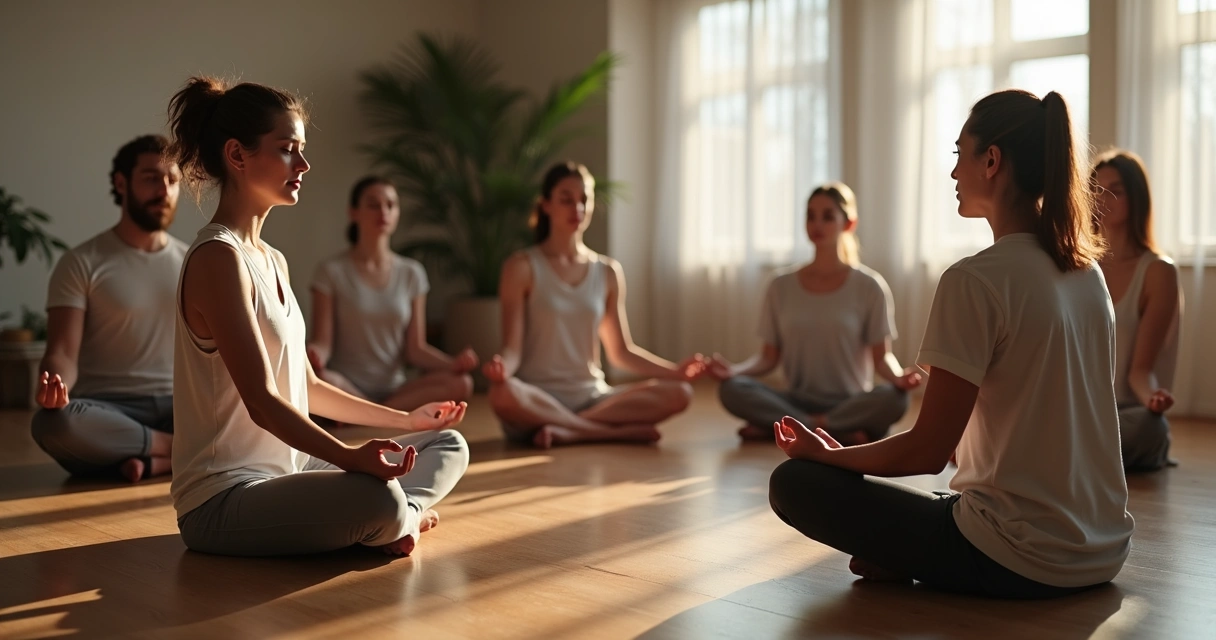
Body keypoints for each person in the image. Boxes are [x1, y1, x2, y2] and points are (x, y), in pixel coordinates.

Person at [768, 90, 1133, 598]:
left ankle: (919, 557)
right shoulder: (1087, 273)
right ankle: (913, 552)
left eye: (959, 154)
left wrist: (827, 456)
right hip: (1102, 552)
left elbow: (928, 451)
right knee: (945, 502)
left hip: (1018, 558)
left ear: (992, 161)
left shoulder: (975, 279)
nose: (954, 172)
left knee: (793, 484)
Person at [166, 76, 468, 557]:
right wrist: (349, 457)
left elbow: (307, 387)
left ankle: (395, 519)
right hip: (225, 499)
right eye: (287, 149)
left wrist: (406, 419)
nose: (303, 164)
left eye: (301, 149)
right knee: (377, 498)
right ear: (237, 155)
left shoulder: (273, 259)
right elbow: (263, 402)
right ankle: (399, 517)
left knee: (446, 443)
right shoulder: (217, 258)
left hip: (291, 474)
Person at [484, 161, 706, 449]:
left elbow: (621, 352)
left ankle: (572, 430)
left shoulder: (607, 271)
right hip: (538, 399)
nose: (577, 208)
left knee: (680, 393)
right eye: (566, 199)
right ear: (546, 205)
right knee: (502, 394)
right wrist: (502, 368)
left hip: (593, 396)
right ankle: (606, 432)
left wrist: (676, 372)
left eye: (584, 200)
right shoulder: (521, 267)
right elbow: (512, 348)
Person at [710, 182, 921, 445]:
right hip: (796, 399)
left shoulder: (870, 286)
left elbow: (882, 358)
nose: (817, 224)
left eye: (827, 216)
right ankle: (829, 429)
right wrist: (733, 371)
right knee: (732, 389)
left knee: (895, 399)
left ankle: (789, 428)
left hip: (849, 401)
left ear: (849, 223)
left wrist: (899, 377)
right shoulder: (780, 285)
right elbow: (767, 358)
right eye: (810, 216)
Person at [31, 134, 185, 482]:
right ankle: (180, 451)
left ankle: (151, 460)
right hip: (110, 410)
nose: (164, 190)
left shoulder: (196, 261)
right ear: (121, 183)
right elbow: (62, 352)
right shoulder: (81, 262)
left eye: (173, 180)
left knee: (255, 413)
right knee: (53, 424)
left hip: (182, 405)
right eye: (150, 178)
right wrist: (54, 386)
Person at [308, 176, 476, 413]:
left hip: (397, 390)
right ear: (353, 212)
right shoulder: (330, 272)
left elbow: (415, 349)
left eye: (390, 205)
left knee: (462, 383)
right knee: (317, 379)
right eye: (373, 204)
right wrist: (314, 355)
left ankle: (373, 412)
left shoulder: (411, 273)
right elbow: (323, 342)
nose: (383, 212)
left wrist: (454, 363)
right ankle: (378, 413)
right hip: (345, 386)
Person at [1091, 149, 1181, 471]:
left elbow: (1139, 371)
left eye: (1116, 190)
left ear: (1137, 198)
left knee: (1148, 428)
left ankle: (1069, 457)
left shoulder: (1158, 271)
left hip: (1126, 413)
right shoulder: (1076, 267)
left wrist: (1153, 400)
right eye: (1096, 191)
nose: (1103, 199)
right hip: (1082, 410)